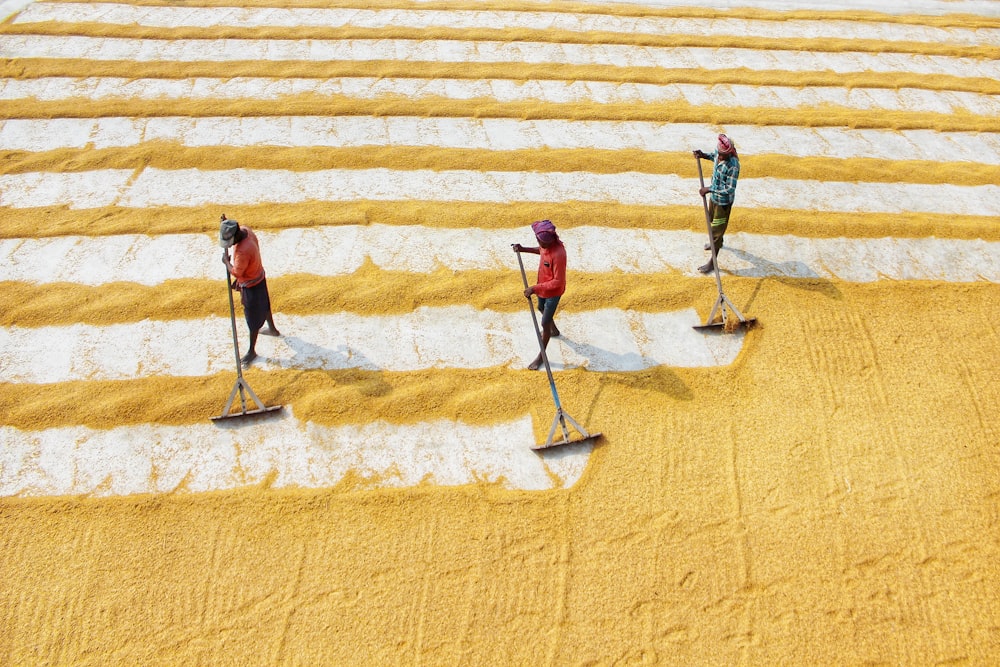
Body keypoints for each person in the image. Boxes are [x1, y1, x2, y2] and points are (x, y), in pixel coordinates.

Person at [219, 214, 280, 368]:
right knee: (265, 303)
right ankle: (273, 329)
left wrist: (227, 262)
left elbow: (237, 273)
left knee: (252, 320)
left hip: (251, 285)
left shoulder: (242, 253)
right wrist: (225, 223)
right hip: (259, 275)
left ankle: (251, 351)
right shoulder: (246, 230)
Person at [512, 219, 566, 371]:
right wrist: (523, 249)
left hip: (552, 293)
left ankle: (541, 356)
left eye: (545, 243)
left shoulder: (559, 254)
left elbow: (558, 282)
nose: (543, 245)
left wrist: (534, 288)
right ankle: (554, 330)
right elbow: (541, 250)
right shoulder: (545, 245)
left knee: (544, 323)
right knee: (540, 308)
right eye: (540, 242)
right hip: (542, 288)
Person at [693, 133, 740, 274]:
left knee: (716, 231)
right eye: (719, 154)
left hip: (723, 204)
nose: (719, 157)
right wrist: (703, 155)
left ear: (730, 153)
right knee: (712, 222)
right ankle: (716, 242)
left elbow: (729, 189)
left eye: (722, 156)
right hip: (714, 199)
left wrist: (709, 189)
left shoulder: (734, 165)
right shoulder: (719, 153)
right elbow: (714, 156)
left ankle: (712, 263)